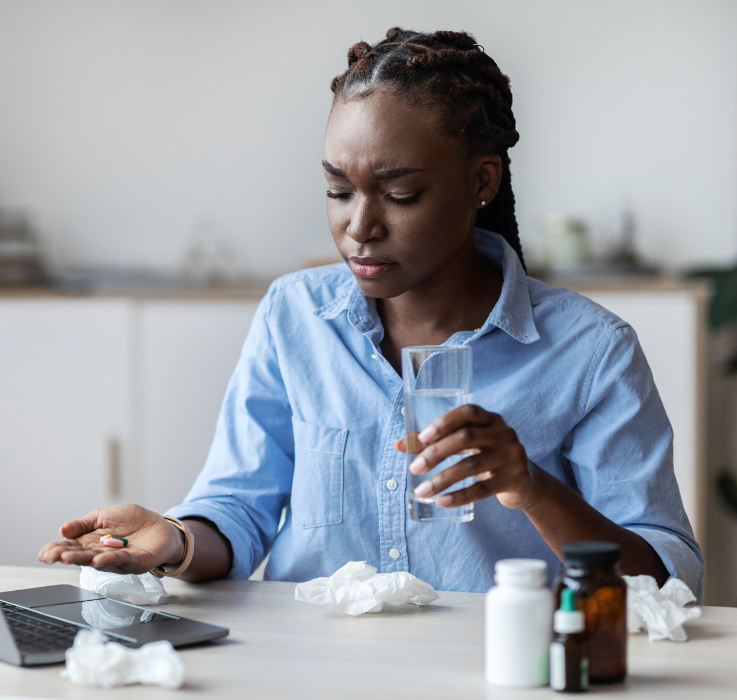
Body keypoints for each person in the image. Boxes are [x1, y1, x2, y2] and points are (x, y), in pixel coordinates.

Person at [39, 28, 703, 596]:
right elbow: (237, 510)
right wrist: (175, 540)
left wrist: (530, 486)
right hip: (312, 670)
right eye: (337, 189)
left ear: (481, 182)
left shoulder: (591, 353)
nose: (360, 226)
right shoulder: (294, 316)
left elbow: (668, 583)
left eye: (401, 194)